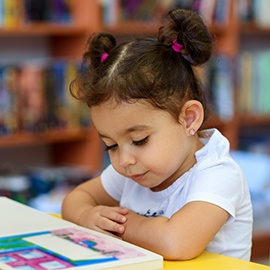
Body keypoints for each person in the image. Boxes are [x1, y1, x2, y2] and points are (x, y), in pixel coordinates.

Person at [62, 8, 253, 261]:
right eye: (111, 145)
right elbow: (75, 199)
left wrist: (118, 224)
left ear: (188, 119)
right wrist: (88, 216)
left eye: (140, 140)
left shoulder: (218, 173)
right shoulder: (135, 170)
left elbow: (177, 243)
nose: (124, 160)